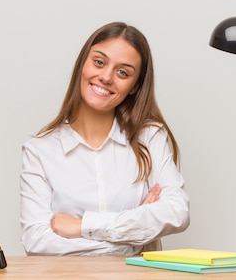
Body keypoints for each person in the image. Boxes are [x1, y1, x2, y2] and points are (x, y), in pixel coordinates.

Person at [20, 21, 190, 256]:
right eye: (99, 62)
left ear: (134, 86)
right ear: (83, 65)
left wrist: (82, 227)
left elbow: (177, 212)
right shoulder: (40, 150)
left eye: (123, 72)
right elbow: (37, 241)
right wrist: (134, 239)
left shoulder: (150, 137)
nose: (106, 77)